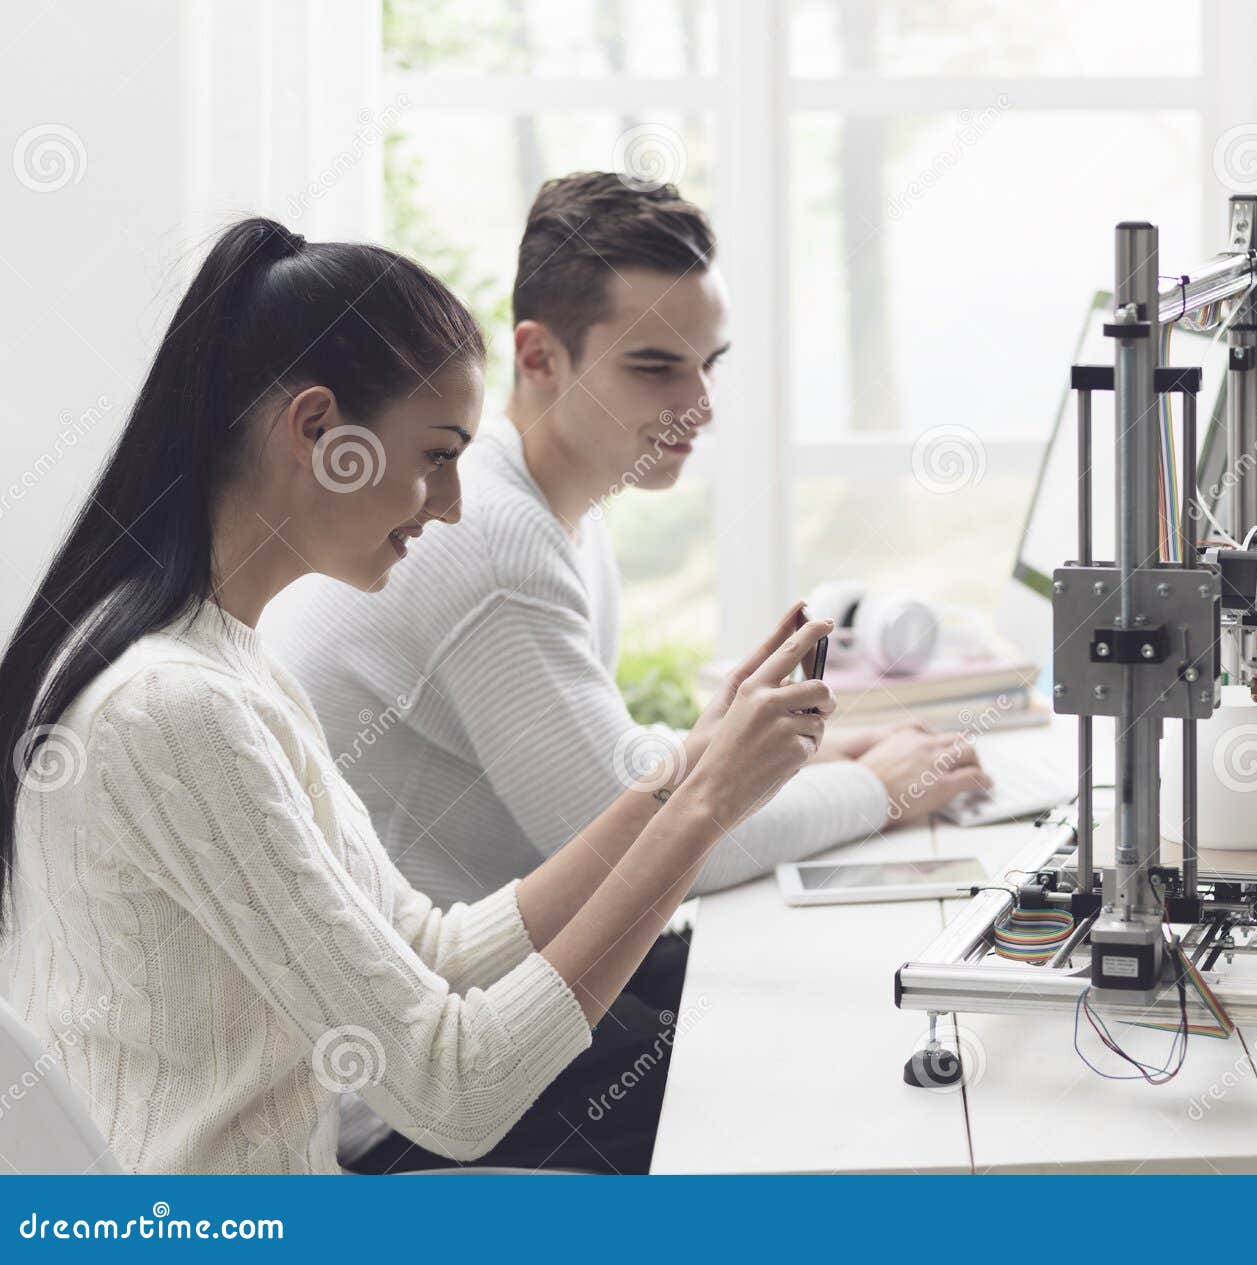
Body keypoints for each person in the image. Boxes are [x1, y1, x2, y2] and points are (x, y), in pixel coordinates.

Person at [0, 217, 834, 1175]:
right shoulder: (171, 708)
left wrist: (692, 763)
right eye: (436, 455)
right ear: (317, 430)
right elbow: (455, 1091)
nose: (451, 504)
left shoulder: (232, 664)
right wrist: (703, 807)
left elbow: (431, 946)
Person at [262, 173, 989, 1171]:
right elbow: (639, 834)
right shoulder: (491, 538)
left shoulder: (554, 505)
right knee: (829, 1076)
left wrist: (814, 754)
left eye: (708, 365)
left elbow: (614, 784)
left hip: (503, 990)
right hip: (421, 1098)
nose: (698, 405)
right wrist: (877, 786)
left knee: (831, 1005)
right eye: (656, 368)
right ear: (538, 355)